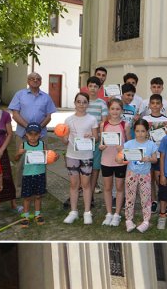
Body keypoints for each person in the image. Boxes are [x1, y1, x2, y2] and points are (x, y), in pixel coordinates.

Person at [7, 72, 56, 197]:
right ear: (28, 81)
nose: (35, 80)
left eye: (38, 79)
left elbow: (48, 116)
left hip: (41, 135)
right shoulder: (20, 94)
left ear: (41, 81)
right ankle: (19, 189)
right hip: (23, 134)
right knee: (21, 162)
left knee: (41, 161)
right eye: (32, 78)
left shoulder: (46, 97)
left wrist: (38, 129)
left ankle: (40, 188)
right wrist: (28, 128)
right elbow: (15, 114)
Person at [61, 91, 99, 224]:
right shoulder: (68, 120)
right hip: (72, 155)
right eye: (79, 102)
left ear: (88, 104)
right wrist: (64, 138)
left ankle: (87, 212)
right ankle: (73, 211)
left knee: (86, 184)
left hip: (86, 156)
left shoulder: (92, 119)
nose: (81, 104)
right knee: (73, 184)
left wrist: (91, 137)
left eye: (84, 102)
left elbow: (96, 138)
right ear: (75, 103)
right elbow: (65, 140)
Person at [122, 118, 159, 233]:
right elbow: (122, 157)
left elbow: (155, 159)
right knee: (130, 197)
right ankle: (129, 220)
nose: (140, 134)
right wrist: (121, 158)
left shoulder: (151, 144)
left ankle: (146, 221)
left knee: (146, 198)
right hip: (131, 173)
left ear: (147, 131)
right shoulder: (129, 144)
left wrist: (149, 159)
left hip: (145, 175)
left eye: (143, 131)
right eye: (137, 131)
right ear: (134, 131)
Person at [99, 98, 128, 226]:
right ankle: (109, 213)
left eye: (117, 109)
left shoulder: (125, 125)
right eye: (112, 109)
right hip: (106, 160)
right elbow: (101, 143)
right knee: (107, 187)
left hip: (120, 161)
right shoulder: (103, 125)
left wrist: (123, 148)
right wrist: (101, 147)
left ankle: (117, 214)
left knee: (120, 187)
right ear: (108, 110)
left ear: (121, 110)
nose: (115, 111)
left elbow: (129, 143)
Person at [14, 123, 47, 226]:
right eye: (30, 134)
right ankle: (26, 216)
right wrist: (19, 153)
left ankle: (37, 214)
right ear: (26, 134)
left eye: (35, 134)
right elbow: (16, 159)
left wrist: (53, 156)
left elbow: (47, 157)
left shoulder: (42, 145)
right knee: (27, 197)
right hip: (27, 175)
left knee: (38, 196)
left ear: (40, 134)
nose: (33, 137)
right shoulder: (23, 145)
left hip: (40, 174)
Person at [85, 77, 109, 202]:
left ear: (99, 88)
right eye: (91, 86)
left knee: (95, 168)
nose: (93, 88)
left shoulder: (102, 103)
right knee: (84, 167)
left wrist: (99, 137)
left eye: (95, 86)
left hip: (97, 140)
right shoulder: (84, 101)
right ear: (87, 87)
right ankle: (85, 192)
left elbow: (104, 123)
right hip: (83, 141)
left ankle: (91, 195)